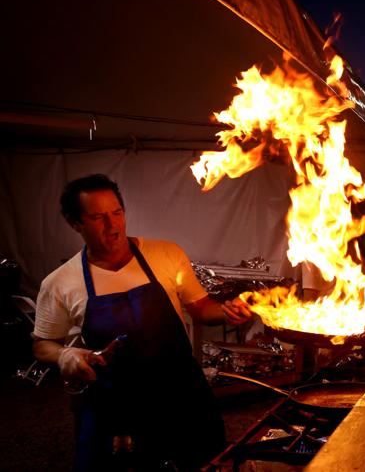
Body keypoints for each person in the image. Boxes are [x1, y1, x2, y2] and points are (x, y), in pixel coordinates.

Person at [32, 174, 253, 470]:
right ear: (76, 224)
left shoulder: (166, 254)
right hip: (118, 404)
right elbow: (42, 344)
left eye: (117, 213)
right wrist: (65, 354)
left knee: (204, 461)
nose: (112, 227)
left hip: (182, 392)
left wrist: (225, 311)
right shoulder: (60, 283)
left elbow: (200, 308)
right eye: (98, 218)